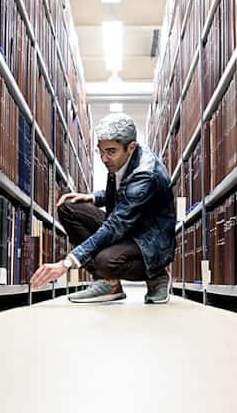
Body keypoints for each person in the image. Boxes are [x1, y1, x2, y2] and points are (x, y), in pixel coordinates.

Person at [30, 113, 176, 304]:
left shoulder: (146, 175)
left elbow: (116, 224)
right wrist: (93, 197)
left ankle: (156, 275)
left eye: (111, 151)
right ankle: (109, 283)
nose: (104, 158)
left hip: (149, 241)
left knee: (105, 261)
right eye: (100, 151)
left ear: (130, 147)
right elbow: (124, 193)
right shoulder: (122, 159)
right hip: (130, 228)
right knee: (68, 208)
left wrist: (67, 263)